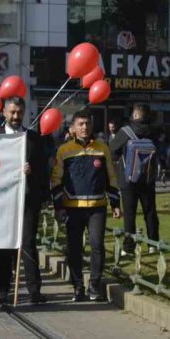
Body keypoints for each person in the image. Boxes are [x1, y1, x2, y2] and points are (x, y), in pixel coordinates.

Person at [51, 109, 121, 302]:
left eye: (88, 124)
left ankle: (95, 286)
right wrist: (59, 207)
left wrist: (115, 202)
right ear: (73, 128)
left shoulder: (102, 148)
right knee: (74, 248)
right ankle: (77, 287)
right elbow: (56, 180)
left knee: (97, 245)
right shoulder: (64, 150)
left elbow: (111, 176)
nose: (85, 127)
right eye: (80, 124)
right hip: (72, 207)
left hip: (97, 206)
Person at [0, 97, 49, 305]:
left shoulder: (33, 138)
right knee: (5, 246)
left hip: (28, 199)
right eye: (12, 112)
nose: (16, 116)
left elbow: (43, 169)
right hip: (4, 201)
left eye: (19, 112)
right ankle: (2, 290)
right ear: (4, 113)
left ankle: (34, 290)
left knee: (28, 244)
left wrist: (36, 181)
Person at [108, 103, 160, 257]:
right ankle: (154, 244)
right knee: (150, 211)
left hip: (128, 178)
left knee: (129, 214)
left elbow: (112, 150)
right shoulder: (152, 131)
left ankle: (128, 247)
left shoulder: (125, 131)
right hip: (147, 178)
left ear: (135, 115)